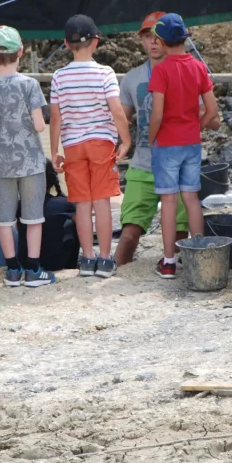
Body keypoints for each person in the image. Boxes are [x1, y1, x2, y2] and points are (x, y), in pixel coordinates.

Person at [0, 25, 57, 288]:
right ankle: (33, 270)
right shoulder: (30, 84)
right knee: (33, 217)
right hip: (30, 160)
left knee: (4, 219)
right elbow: (40, 125)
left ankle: (12, 270)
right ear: (20, 52)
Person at [49, 14, 131, 278]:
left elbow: (56, 118)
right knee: (102, 202)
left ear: (66, 43)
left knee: (82, 204)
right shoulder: (105, 73)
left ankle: (87, 258)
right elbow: (116, 110)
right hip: (100, 143)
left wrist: (54, 151)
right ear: (96, 41)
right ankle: (105, 259)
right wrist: (125, 139)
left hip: (73, 146)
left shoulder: (59, 77)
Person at [115, 12, 191, 266]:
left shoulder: (187, 70)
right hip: (143, 165)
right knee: (128, 235)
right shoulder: (131, 78)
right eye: (148, 37)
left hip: (178, 165)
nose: (154, 42)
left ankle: (176, 268)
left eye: (158, 37)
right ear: (142, 41)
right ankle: (118, 275)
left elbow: (203, 113)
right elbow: (122, 118)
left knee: (181, 234)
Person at [148, 13, 220, 279]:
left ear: (163, 42)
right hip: (192, 143)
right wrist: (196, 126)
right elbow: (212, 110)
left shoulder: (161, 70)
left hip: (167, 143)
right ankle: (199, 257)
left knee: (168, 201)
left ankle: (168, 263)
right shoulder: (198, 66)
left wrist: (150, 136)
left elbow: (157, 114)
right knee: (191, 199)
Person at [0, 160, 80, 272]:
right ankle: (73, 265)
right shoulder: (64, 203)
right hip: (55, 264)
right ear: (53, 181)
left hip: (26, 263)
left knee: (3, 226)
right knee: (74, 222)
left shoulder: (20, 205)